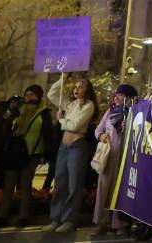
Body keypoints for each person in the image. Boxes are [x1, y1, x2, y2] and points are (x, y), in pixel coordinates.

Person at [0, 84, 51, 228]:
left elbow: (48, 133)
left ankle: (23, 216)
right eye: (27, 94)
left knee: (25, 185)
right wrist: (10, 111)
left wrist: (46, 153)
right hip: (14, 152)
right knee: (9, 185)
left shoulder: (43, 112)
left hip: (32, 154)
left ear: (38, 96)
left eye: (32, 94)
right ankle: (2, 216)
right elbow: (4, 125)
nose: (28, 97)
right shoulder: (18, 111)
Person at [44, 76, 98, 233]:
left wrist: (61, 120)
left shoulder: (89, 105)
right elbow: (52, 94)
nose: (76, 89)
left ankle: (69, 220)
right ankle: (55, 219)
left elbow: (75, 126)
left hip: (77, 147)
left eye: (81, 87)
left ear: (87, 90)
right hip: (63, 148)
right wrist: (63, 77)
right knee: (60, 184)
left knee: (73, 185)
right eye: (75, 86)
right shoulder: (71, 104)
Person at [92, 84, 137, 235]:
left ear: (129, 98)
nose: (116, 97)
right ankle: (101, 222)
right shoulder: (110, 112)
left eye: (121, 95)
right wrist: (102, 136)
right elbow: (98, 130)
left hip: (126, 157)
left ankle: (120, 224)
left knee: (121, 190)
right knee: (104, 189)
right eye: (116, 94)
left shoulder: (134, 112)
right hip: (109, 156)